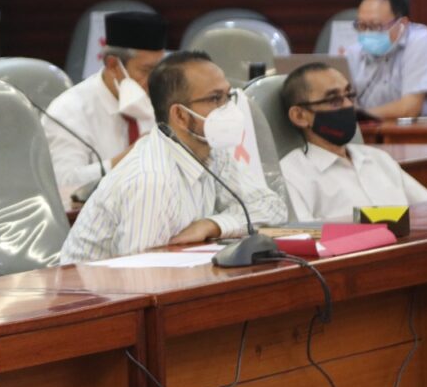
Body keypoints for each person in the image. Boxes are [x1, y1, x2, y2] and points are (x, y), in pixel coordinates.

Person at [60, 51, 286, 263]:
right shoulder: (151, 180)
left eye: (229, 96)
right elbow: (142, 273)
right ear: (180, 115)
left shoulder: (214, 152)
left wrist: (213, 224)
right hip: (89, 289)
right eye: (215, 98)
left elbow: (272, 207)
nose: (227, 108)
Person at [279, 62, 427, 222]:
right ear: (299, 116)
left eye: (349, 95)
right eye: (334, 99)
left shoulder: (378, 158)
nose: (348, 105)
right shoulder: (291, 174)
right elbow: (302, 233)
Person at [44, 11, 168, 190]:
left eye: (159, 69)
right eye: (146, 70)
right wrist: (129, 158)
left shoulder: (163, 98)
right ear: (113, 65)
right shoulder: (68, 111)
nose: (154, 81)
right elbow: (64, 184)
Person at [345, 0, 427, 119]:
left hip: (426, 131)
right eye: (362, 26)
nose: (367, 34)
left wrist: (358, 116)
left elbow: (409, 109)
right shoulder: (354, 52)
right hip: (373, 130)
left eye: (375, 26)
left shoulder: (422, 41)